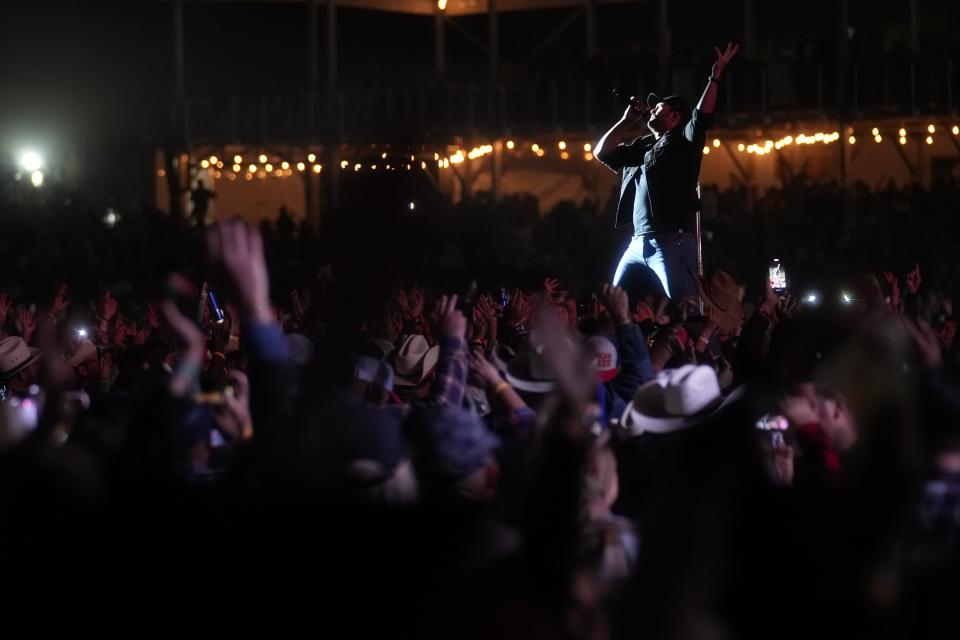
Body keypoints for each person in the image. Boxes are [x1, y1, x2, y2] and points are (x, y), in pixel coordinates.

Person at [595, 43, 740, 304]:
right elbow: (602, 153)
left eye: (658, 107)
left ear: (675, 115)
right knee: (613, 304)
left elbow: (701, 116)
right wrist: (626, 122)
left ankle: (706, 342)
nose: (651, 110)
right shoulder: (644, 146)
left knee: (687, 308)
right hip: (638, 242)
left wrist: (715, 76)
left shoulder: (683, 140)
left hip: (670, 241)